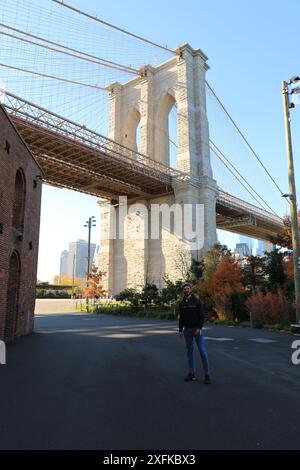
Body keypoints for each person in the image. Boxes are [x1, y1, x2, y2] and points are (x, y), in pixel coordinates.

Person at [179, 284, 211, 384]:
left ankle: (207, 375)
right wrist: (180, 330)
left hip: (196, 330)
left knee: (202, 351)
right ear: (183, 291)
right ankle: (191, 373)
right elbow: (181, 318)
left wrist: (199, 328)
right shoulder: (182, 303)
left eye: (188, 289)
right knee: (189, 352)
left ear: (190, 290)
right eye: (185, 289)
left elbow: (202, 316)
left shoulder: (197, 301)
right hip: (187, 330)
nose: (186, 290)